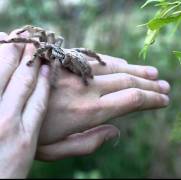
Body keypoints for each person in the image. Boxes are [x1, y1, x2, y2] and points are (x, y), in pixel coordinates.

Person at [0, 28, 170, 178]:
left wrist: (54, 80)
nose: (41, 50)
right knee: (42, 41)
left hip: (72, 60)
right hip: (71, 54)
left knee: (66, 54)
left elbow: (56, 64)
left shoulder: (59, 57)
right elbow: (43, 41)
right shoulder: (51, 47)